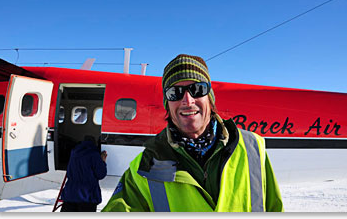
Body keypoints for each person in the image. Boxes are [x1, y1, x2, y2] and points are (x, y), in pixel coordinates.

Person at [102, 54, 283, 212]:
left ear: (210, 98)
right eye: (175, 93)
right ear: (167, 104)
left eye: (198, 89)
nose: (187, 100)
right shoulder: (142, 169)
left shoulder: (253, 149)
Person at [60, 136, 107, 212]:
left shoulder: (74, 152)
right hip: (87, 196)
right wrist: (103, 162)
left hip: (70, 194)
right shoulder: (94, 154)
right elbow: (101, 174)